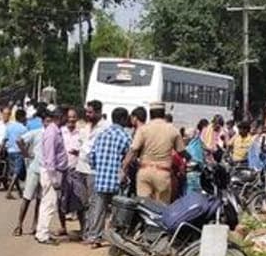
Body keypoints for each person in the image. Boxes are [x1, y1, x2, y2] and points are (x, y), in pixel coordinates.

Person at [82, 107, 133, 247]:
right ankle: (115, 238)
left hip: (102, 179)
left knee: (98, 210)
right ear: (123, 119)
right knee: (118, 211)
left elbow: (91, 155)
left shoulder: (102, 134)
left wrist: (97, 167)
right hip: (118, 181)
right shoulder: (126, 136)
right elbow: (130, 158)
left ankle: (94, 237)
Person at [125, 101, 182, 203]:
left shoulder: (143, 130)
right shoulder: (173, 130)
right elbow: (182, 151)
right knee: (161, 208)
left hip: (144, 172)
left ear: (150, 114)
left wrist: (123, 167)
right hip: (163, 174)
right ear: (163, 114)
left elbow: (133, 150)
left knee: (143, 205)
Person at [35, 107, 66, 245]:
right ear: (61, 117)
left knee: (46, 203)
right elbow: (50, 158)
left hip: (53, 172)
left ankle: (41, 231)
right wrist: (54, 179)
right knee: (49, 203)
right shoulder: (52, 133)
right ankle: (43, 234)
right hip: (50, 173)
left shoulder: (55, 131)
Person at [59, 107, 88, 237]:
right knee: (61, 200)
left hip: (77, 170)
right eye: (69, 117)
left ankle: (83, 228)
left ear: (77, 118)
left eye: (74, 117)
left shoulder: (81, 133)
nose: (71, 119)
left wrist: (79, 152)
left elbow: (86, 150)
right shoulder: (60, 132)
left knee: (81, 200)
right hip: (62, 170)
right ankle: (62, 227)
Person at [13, 122, 45, 237]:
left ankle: (35, 225)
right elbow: (19, 140)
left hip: (45, 171)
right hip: (34, 169)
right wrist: (25, 153)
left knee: (40, 200)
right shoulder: (36, 133)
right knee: (27, 198)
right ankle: (19, 224)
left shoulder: (53, 134)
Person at [3, 109, 28, 200]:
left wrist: (2, 149)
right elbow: (25, 142)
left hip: (10, 151)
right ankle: (9, 191)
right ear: (22, 118)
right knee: (17, 172)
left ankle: (20, 192)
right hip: (18, 151)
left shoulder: (9, 126)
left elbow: (5, 139)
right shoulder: (24, 129)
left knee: (14, 172)